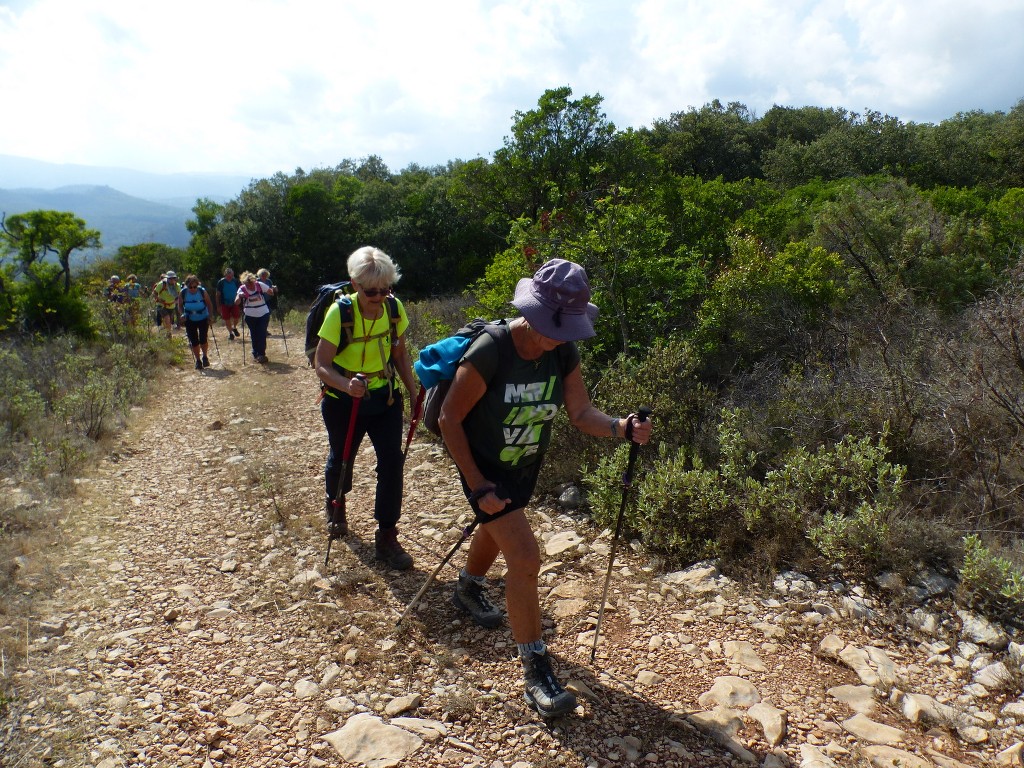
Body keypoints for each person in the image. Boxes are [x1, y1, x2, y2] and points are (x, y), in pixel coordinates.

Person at [438, 259, 652, 718]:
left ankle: (467, 587)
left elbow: (580, 413)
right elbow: (448, 419)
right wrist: (477, 485)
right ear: (531, 312)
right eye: (556, 326)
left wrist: (620, 427)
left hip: (524, 463)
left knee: (496, 528)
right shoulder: (490, 350)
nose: (563, 335)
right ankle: (536, 668)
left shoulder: (561, 351)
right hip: (483, 465)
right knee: (525, 556)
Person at [313, 246, 419, 569]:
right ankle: (336, 503)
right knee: (342, 459)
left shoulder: (394, 308)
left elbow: (399, 355)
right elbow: (321, 364)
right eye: (371, 290)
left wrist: (414, 395)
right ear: (355, 284)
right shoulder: (339, 313)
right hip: (342, 400)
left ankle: (387, 535)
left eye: (385, 289)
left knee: (392, 463)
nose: (379, 296)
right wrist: (347, 385)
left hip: (384, 397)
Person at [235, 271, 276, 363]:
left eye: (251, 284)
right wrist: (239, 296)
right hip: (250, 315)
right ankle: (255, 353)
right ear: (244, 283)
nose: (250, 286)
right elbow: (236, 302)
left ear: (254, 281)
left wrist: (272, 289)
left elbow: (271, 293)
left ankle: (261, 354)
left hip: (263, 313)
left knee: (262, 333)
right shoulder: (242, 288)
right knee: (254, 334)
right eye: (248, 285)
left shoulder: (259, 285)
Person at [177, 274, 215, 370]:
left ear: (197, 285)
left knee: (203, 338)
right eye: (190, 287)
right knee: (194, 341)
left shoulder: (202, 292)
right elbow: (180, 305)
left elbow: (209, 304)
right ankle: (198, 361)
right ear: (187, 286)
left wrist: (210, 316)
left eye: (195, 286)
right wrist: (182, 314)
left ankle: (205, 357)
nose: (193, 289)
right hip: (189, 319)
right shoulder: (183, 292)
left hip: (203, 318)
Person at [216, 267, 242, 339]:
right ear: (225, 275)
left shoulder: (235, 281)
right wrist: (218, 306)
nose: (230, 277)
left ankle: (234, 327)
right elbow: (218, 295)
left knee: (236, 317)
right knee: (227, 319)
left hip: (235, 303)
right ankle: (230, 333)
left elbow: (240, 291)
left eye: (231, 276)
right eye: (228, 276)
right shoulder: (221, 282)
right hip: (224, 303)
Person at [152, 271, 180, 339]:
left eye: (173, 278)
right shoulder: (161, 284)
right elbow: (154, 293)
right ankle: (169, 335)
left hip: (172, 305)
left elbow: (179, 295)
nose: (172, 280)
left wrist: (177, 301)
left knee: (169, 321)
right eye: (170, 278)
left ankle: (166, 334)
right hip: (162, 305)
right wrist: (158, 299)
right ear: (167, 278)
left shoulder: (177, 286)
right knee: (167, 319)